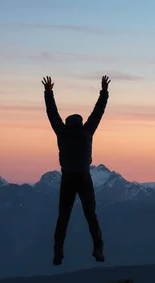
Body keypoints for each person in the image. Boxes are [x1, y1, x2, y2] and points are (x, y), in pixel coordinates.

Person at [41, 75, 111, 266]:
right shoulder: (87, 132)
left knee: (63, 217)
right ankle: (98, 248)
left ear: (67, 124)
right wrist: (104, 91)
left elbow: (52, 113)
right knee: (91, 216)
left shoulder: (62, 133)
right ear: (80, 123)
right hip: (84, 178)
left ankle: (58, 253)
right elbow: (98, 112)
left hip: (68, 179)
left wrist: (48, 92)